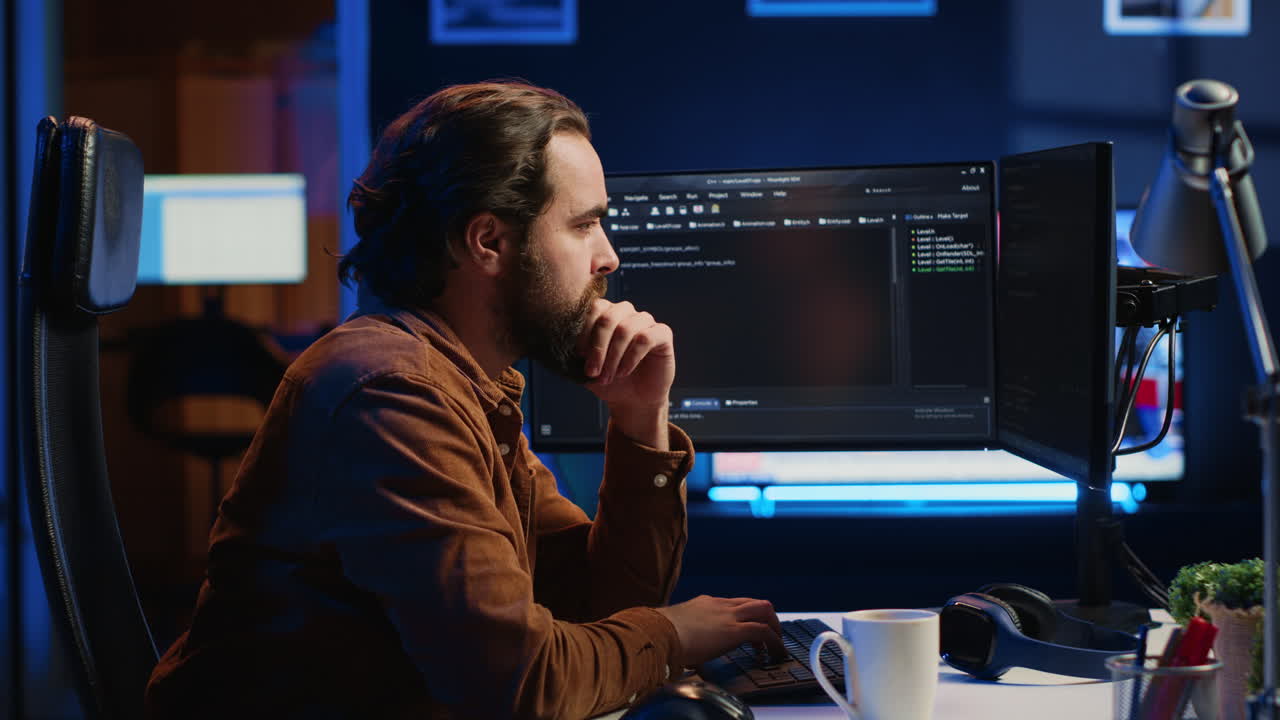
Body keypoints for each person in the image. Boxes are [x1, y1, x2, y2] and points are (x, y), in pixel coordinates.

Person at [144, 80, 784, 719]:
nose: (608, 256)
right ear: (488, 241)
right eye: (584, 225)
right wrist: (674, 637)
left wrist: (640, 420)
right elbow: (523, 683)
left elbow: (597, 606)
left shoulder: (466, 384)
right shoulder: (391, 393)